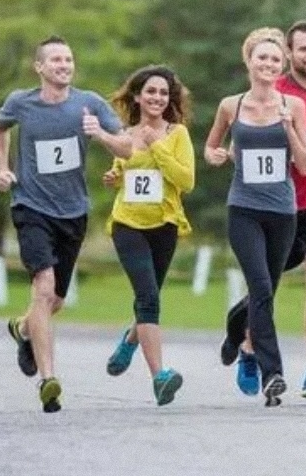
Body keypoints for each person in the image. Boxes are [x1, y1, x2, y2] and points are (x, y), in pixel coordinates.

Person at [0, 35, 133, 413]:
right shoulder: (21, 103)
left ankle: (23, 329)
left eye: (68, 59)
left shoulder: (89, 103)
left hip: (73, 212)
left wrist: (99, 134)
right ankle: (48, 379)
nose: (64, 65)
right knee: (44, 286)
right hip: (30, 207)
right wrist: (3, 168)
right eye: (55, 60)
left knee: (54, 301)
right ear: (39, 67)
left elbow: (128, 147)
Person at [220, 20, 306, 400]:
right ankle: (244, 340)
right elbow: (240, 142)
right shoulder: (270, 88)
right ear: (289, 54)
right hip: (278, 203)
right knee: (266, 286)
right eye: (304, 49)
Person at [204, 27, 306, 407]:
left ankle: (236, 333)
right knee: (263, 290)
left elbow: (304, 164)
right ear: (249, 61)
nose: (268, 64)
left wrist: (287, 128)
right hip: (244, 210)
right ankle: (273, 375)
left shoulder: (294, 107)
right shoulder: (230, 106)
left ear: (282, 65)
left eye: (274, 59)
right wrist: (215, 155)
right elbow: (212, 146)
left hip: (282, 211)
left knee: (264, 291)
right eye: (261, 58)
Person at [100, 65, 195, 406]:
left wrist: (158, 146)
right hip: (128, 225)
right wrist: (114, 176)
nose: (157, 98)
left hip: (165, 225)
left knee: (149, 297)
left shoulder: (177, 134)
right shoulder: (124, 133)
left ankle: (130, 339)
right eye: (151, 92)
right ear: (137, 96)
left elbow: (185, 181)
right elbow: (124, 169)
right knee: (149, 297)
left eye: (163, 93)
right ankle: (160, 377)